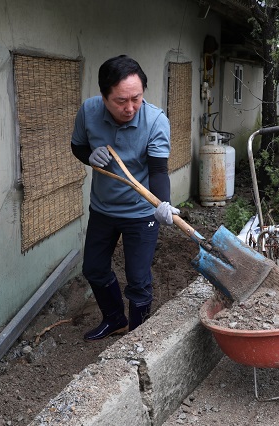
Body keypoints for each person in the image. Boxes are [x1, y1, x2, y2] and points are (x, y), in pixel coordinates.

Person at [70, 55, 180, 341]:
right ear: (104, 96)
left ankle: (137, 338)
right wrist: (88, 157)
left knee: (138, 280)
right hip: (103, 208)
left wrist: (162, 203)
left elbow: (158, 171)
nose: (130, 107)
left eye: (137, 98)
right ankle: (115, 318)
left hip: (142, 213)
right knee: (93, 268)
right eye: (121, 101)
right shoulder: (89, 111)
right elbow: (78, 146)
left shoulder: (155, 121)